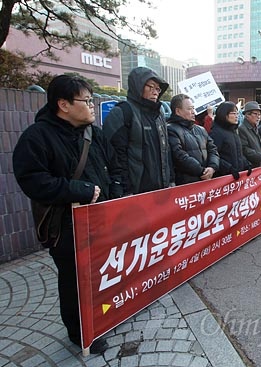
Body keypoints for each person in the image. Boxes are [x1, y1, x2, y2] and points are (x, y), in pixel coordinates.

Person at [12, 75, 123, 354]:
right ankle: (81, 332)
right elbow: (32, 180)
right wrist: (78, 190)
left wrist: (119, 191)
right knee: (74, 279)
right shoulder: (37, 137)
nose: (92, 106)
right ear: (63, 104)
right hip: (66, 225)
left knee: (102, 272)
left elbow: (115, 165)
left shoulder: (94, 133)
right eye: (86, 101)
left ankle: (103, 317)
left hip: (102, 218)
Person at [103, 66, 172, 195]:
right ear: (138, 86)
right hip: (134, 192)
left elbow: (166, 151)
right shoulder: (122, 112)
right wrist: (125, 190)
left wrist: (170, 181)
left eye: (158, 88)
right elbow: (116, 156)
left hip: (160, 191)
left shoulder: (159, 114)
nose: (155, 92)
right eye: (150, 87)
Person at [167, 94, 219, 185]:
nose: (193, 112)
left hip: (206, 181)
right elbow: (179, 156)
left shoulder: (201, 130)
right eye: (189, 109)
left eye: (193, 108)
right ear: (178, 111)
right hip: (186, 184)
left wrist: (212, 167)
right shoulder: (171, 129)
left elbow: (213, 150)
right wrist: (202, 171)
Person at [209, 101, 252, 179]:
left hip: (237, 177)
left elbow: (239, 152)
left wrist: (246, 163)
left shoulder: (233, 131)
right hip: (224, 178)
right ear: (224, 114)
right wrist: (229, 168)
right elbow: (214, 155)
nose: (237, 116)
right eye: (233, 113)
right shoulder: (216, 132)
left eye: (237, 113)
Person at [238, 101, 261, 168]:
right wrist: (260, 157)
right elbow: (244, 149)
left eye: (259, 114)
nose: (258, 117)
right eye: (255, 114)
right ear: (247, 115)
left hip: (259, 165)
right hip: (250, 168)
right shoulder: (242, 129)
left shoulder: (255, 128)